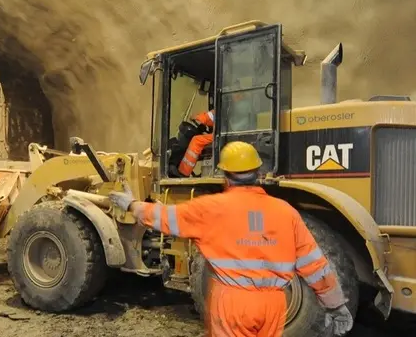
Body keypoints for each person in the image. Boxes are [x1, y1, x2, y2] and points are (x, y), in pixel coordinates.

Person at [109, 141, 354, 337]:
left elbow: (165, 218)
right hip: (273, 304)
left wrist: (131, 204)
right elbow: (316, 267)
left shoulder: (211, 209)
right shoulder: (286, 211)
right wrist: (336, 306)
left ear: (225, 175)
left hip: (233, 302)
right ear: (258, 172)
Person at [177, 109, 215, 177]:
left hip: (222, 137)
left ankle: (183, 172)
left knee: (196, 140)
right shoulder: (231, 105)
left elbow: (208, 118)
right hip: (226, 135)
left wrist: (196, 116)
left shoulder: (227, 104)